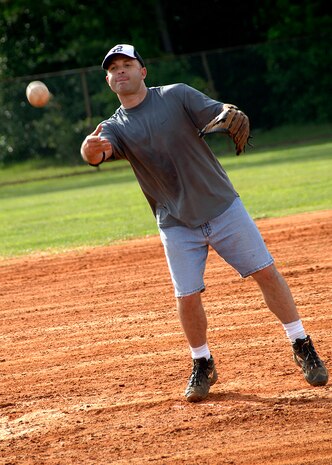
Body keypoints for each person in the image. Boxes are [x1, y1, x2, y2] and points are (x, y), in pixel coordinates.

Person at [81, 44, 329, 402]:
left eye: (127, 65)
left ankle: (301, 343)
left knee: (265, 272)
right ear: (108, 80)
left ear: (143, 71)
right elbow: (97, 153)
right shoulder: (114, 126)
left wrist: (228, 112)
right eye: (113, 68)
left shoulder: (177, 95)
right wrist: (89, 152)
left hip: (222, 206)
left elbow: (220, 114)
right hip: (175, 221)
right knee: (186, 295)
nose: (120, 71)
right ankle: (202, 362)